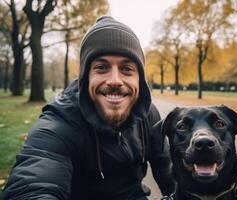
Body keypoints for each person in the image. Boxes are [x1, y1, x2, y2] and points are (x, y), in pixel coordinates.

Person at [3, 16, 176, 200]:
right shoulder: (58, 124)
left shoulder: (148, 115)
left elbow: (169, 174)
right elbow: (32, 186)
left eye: (126, 69)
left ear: (139, 80)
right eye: (102, 67)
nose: (115, 80)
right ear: (85, 78)